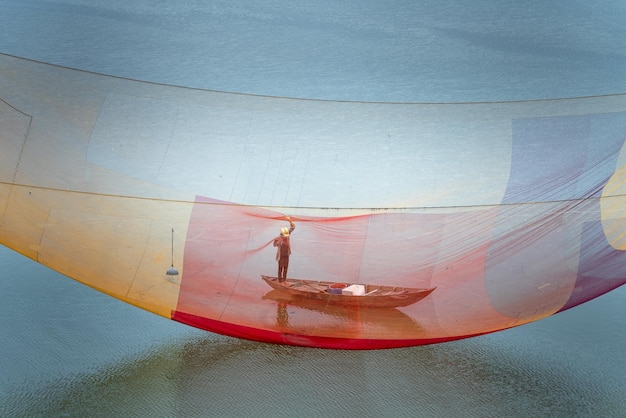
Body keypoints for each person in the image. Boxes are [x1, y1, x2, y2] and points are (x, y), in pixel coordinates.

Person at [273, 217, 295, 283]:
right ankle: (280, 281)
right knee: (280, 269)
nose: (286, 236)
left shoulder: (287, 235)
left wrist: (289, 220)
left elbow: (293, 227)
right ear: (282, 233)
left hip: (286, 255)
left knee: (286, 268)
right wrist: (278, 242)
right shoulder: (278, 238)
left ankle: (284, 280)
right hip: (281, 256)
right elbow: (274, 244)